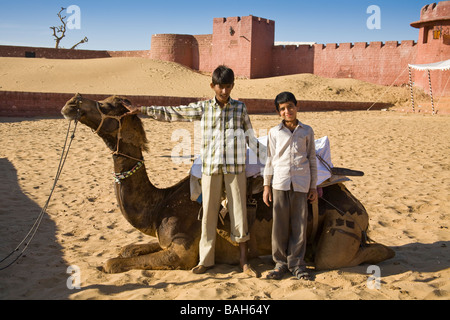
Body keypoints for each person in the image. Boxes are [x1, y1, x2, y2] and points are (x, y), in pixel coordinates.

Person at [123, 65, 264, 277]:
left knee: (239, 213)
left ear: (233, 86)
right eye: (220, 87)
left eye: (228, 87)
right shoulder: (204, 108)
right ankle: (206, 260)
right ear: (212, 86)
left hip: (235, 169)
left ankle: (244, 261)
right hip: (210, 169)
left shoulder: (240, 108)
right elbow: (174, 113)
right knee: (208, 214)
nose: (224, 91)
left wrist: (272, 156)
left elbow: (250, 138)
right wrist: (143, 110)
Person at [263, 91, 318, 280]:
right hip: (280, 182)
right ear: (279, 113)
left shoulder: (307, 131)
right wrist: (266, 186)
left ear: (297, 106)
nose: (287, 111)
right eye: (283, 109)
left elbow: (312, 159)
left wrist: (313, 187)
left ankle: (296, 263)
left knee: (299, 225)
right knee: (279, 225)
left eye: (290, 107)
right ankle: (279, 263)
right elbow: (269, 159)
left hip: (301, 183)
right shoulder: (273, 132)